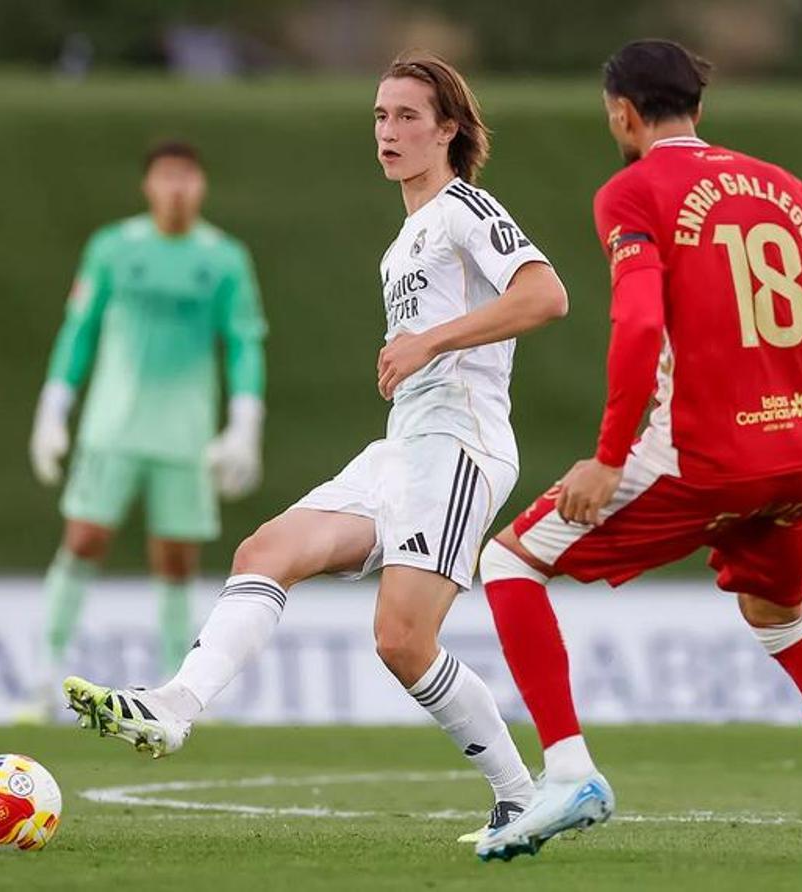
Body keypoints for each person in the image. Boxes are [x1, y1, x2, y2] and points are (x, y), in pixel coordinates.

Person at [64, 52, 570, 842]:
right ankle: (173, 708)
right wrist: (417, 353)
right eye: (379, 116)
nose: (388, 131)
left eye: (407, 117)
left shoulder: (468, 208)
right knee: (267, 548)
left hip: (460, 446)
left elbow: (546, 294)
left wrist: (429, 342)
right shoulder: (402, 242)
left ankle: (519, 791)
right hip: (402, 448)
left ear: (448, 129)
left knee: (402, 641)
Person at [476, 40, 802, 861]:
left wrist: (609, 456)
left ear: (622, 111)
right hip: (794, 457)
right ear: (700, 109)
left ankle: (569, 771)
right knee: (782, 622)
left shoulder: (632, 190)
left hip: (698, 456)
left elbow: (641, 323)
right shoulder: (785, 186)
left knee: (509, 564)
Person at [27, 140, 268, 717]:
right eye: (167, 176)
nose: (177, 187)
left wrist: (244, 425)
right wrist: (53, 407)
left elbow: (243, 342)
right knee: (83, 538)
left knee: (177, 557)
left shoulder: (224, 257)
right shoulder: (113, 247)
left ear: (202, 187)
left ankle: (173, 691)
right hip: (111, 429)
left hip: (184, 436)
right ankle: (41, 677)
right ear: (149, 185)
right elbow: (79, 329)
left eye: (188, 176)